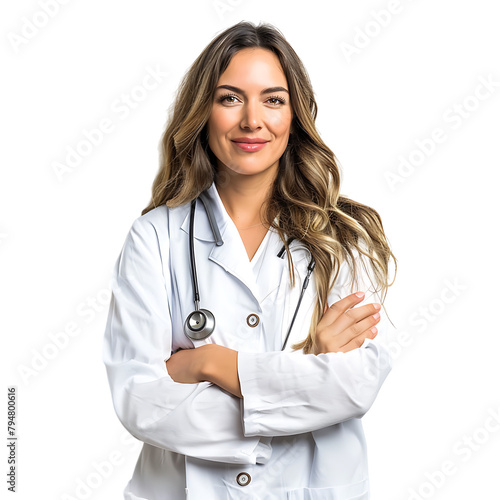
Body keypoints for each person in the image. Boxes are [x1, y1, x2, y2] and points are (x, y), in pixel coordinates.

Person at [102, 20, 397, 500]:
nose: (251, 121)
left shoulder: (344, 237)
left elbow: (355, 385)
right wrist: (307, 369)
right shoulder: (154, 237)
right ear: (204, 112)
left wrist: (211, 364)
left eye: (273, 99)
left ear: (294, 115)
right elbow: (140, 400)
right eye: (230, 98)